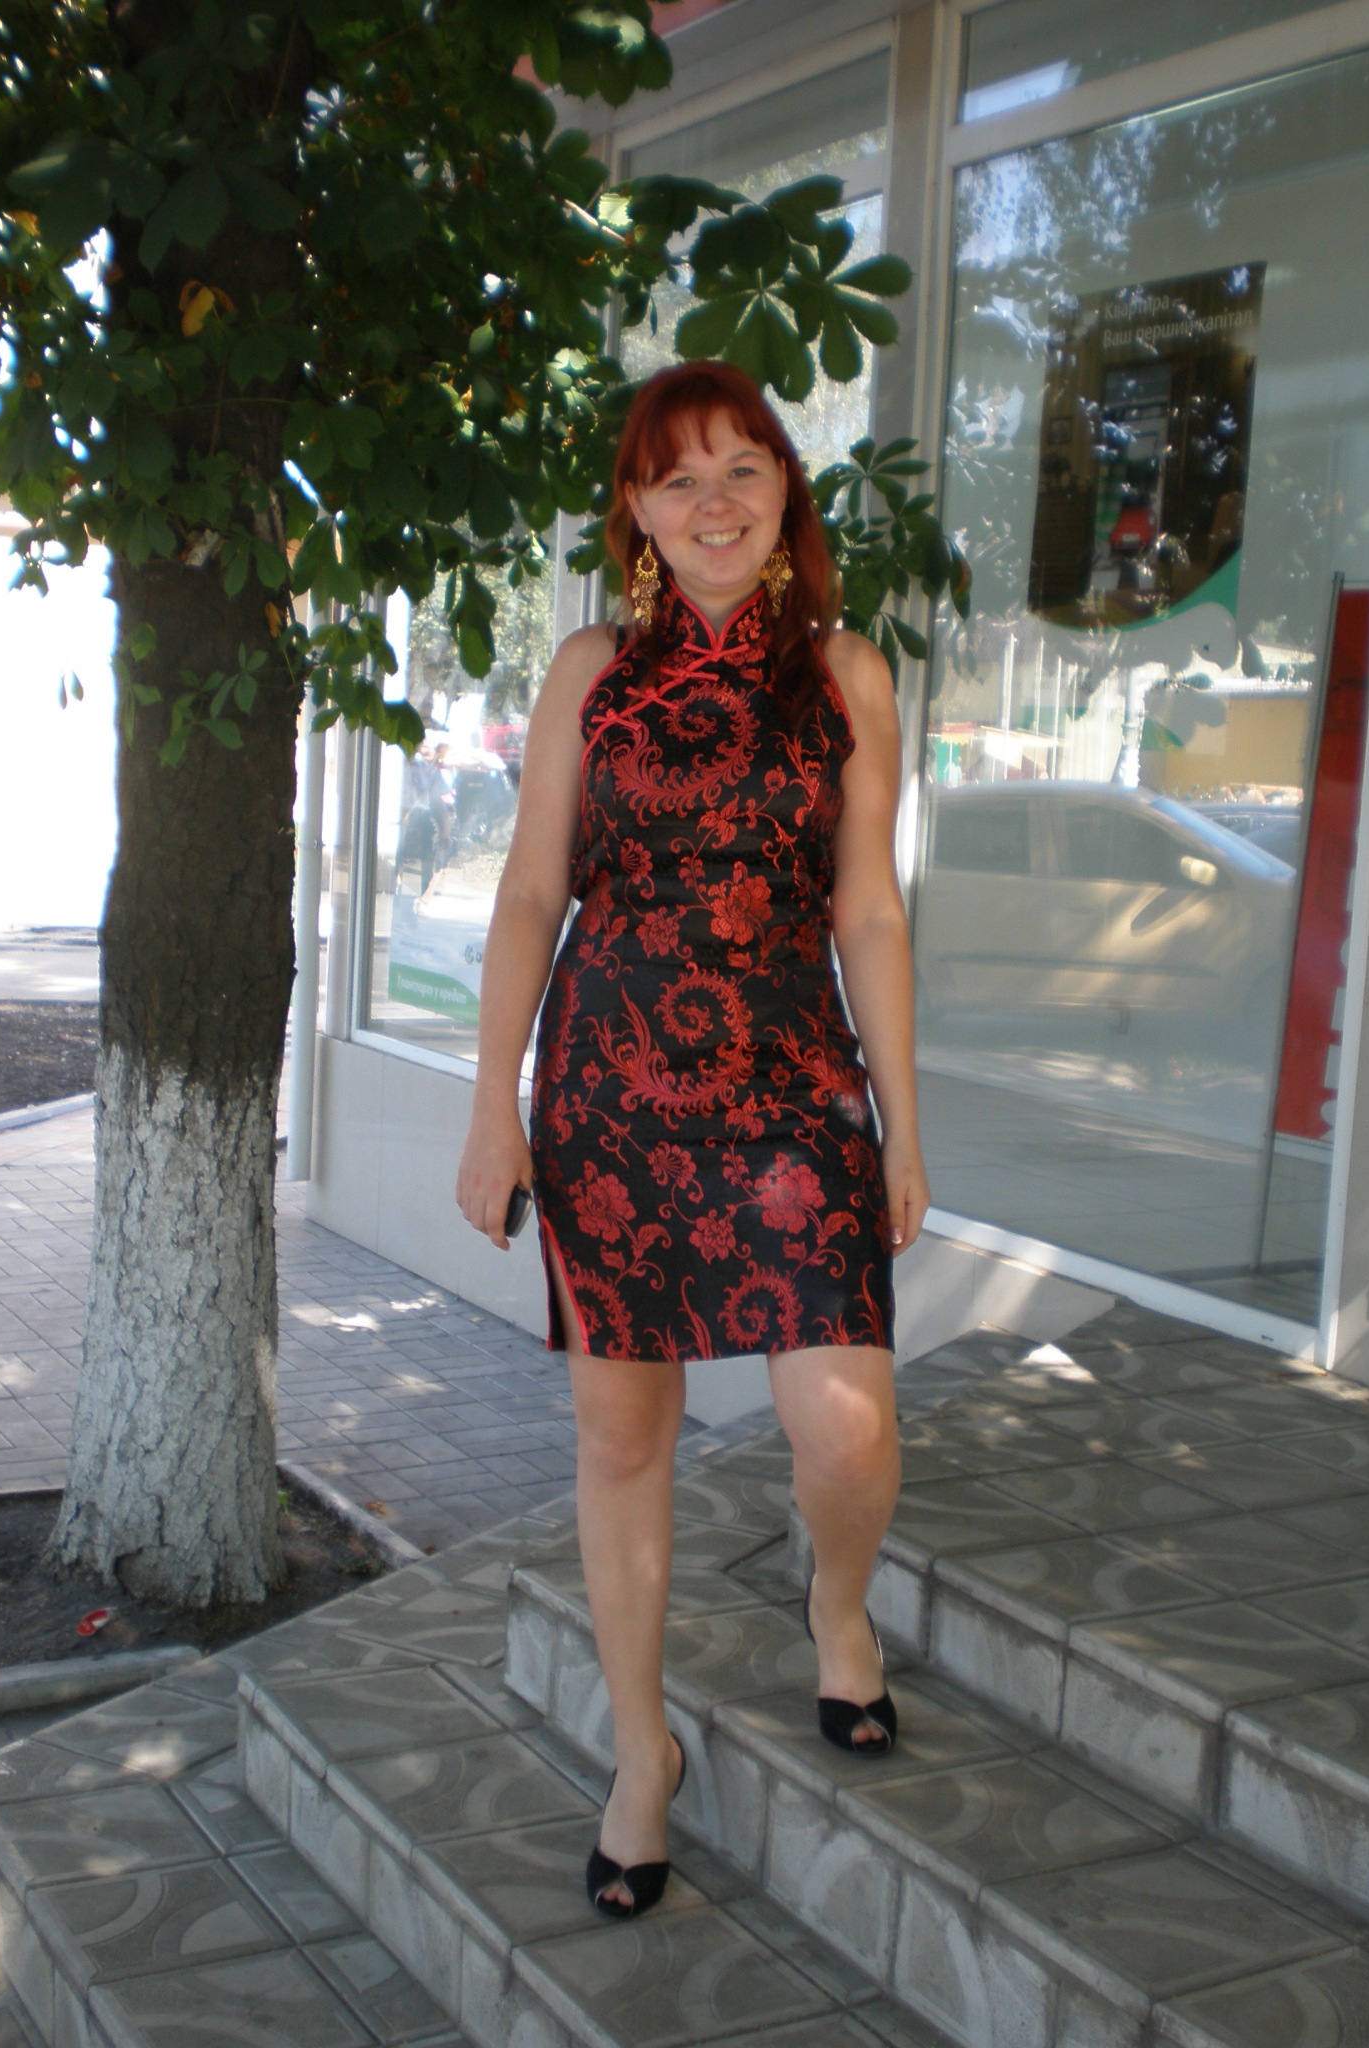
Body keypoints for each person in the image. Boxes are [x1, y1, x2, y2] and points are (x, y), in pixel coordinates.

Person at [456, 360, 929, 1919]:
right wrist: (493, 1103)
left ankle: (837, 1606)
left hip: (796, 1093)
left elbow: (869, 908)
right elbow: (532, 893)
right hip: (612, 1095)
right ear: (640, 512)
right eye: (680, 478)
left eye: (744, 468)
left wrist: (901, 1122)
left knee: (845, 1429)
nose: (715, 502)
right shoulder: (590, 669)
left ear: (787, 489)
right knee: (621, 1437)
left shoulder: (847, 674)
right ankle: (641, 1752)